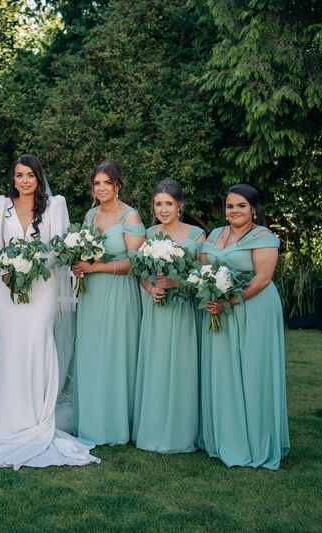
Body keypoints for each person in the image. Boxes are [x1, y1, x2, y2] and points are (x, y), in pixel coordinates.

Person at [0, 154, 100, 469]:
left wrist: (34, 266)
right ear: (13, 178)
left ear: (38, 177)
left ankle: (37, 417)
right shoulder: (3, 205)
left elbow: (59, 247)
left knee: (37, 344)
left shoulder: (55, 205)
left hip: (42, 289)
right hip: (7, 290)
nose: (24, 181)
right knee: (10, 350)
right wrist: (6, 268)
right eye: (19, 175)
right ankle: (7, 421)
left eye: (30, 175)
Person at [199, 184, 290, 469]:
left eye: (241, 206)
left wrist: (229, 303)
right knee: (223, 371)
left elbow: (262, 279)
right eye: (229, 206)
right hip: (219, 309)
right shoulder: (215, 234)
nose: (234, 211)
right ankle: (226, 437)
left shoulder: (264, 237)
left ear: (253, 209)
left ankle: (255, 441)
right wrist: (209, 294)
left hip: (254, 308)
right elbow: (202, 269)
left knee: (253, 371)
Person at [71, 161, 145, 445]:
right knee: (92, 355)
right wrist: (79, 265)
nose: (101, 188)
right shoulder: (90, 215)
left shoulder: (131, 217)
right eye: (96, 183)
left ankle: (114, 425)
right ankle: (91, 421)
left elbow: (134, 263)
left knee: (115, 355)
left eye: (107, 183)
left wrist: (95, 268)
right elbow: (84, 253)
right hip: (91, 295)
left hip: (118, 293)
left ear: (118, 185)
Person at [132, 178, 204, 453]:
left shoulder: (197, 235)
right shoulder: (149, 234)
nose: (163, 209)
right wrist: (151, 288)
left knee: (183, 366)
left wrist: (177, 283)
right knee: (157, 364)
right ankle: (153, 427)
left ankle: (181, 431)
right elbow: (139, 269)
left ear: (180, 206)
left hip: (184, 309)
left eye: (168, 204)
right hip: (157, 309)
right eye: (158, 204)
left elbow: (201, 274)